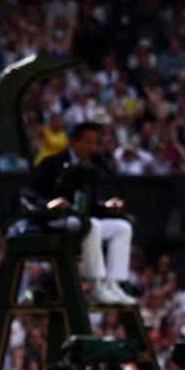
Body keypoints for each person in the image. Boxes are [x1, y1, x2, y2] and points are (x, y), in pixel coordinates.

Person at [29, 122, 135, 305]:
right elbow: (30, 193)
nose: (92, 148)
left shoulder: (90, 167)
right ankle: (95, 286)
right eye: (87, 142)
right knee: (90, 225)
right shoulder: (52, 162)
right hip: (53, 220)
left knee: (122, 228)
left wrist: (106, 206)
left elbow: (89, 204)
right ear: (74, 142)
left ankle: (114, 283)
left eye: (95, 143)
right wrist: (50, 204)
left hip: (79, 220)